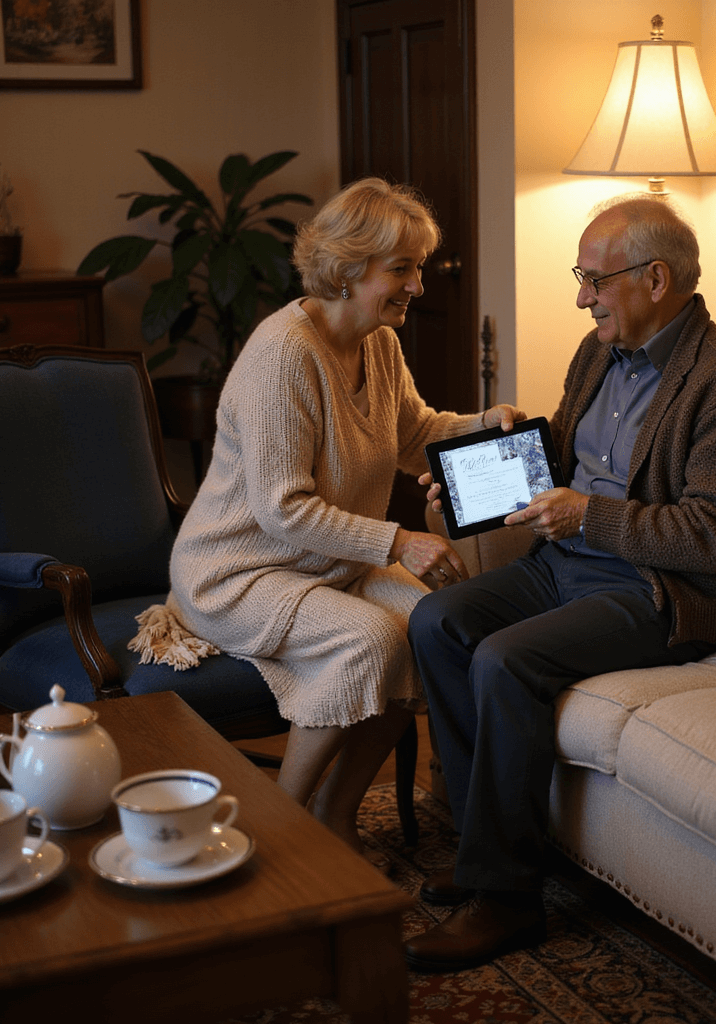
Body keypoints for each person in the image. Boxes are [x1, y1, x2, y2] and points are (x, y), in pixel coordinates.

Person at [404, 194, 716, 971]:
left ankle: (506, 899)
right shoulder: (596, 352)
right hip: (564, 567)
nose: (582, 297)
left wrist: (588, 518)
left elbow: (714, 537)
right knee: (436, 620)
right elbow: (566, 463)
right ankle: (486, 846)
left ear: (656, 278)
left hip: (659, 591)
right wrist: (478, 488)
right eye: (580, 278)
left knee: (503, 660)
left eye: (593, 280)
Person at [130, 177, 523, 869]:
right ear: (347, 268)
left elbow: (415, 433)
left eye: (419, 268)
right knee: (371, 639)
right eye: (400, 269)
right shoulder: (283, 352)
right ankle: (281, 828)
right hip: (240, 572)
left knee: (428, 630)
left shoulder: (377, 342)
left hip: (328, 563)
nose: (419, 286)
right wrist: (402, 541)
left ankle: (334, 814)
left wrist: (485, 424)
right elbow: (284, 509)